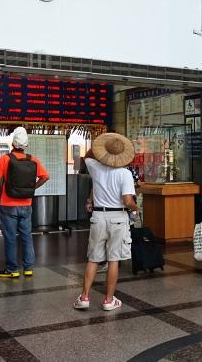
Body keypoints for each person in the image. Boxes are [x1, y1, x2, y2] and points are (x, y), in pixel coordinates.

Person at [73, 133, 138, 312]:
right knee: (113, 260)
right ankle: (109, 301)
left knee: (93, 259)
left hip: (99, 218)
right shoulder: (125, 174)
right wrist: (135, 208)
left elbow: (87, 155)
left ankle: (84, 297)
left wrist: (101, 150)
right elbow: (127, 200)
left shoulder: (96, 168)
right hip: (118, 219)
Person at [0, 127, 49, 278]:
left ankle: (12, 269)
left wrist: (1, 194)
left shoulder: (5, 159)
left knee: (10, 237)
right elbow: (45, 177)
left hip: (8, 204)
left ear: (13, 144)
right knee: (26, 236)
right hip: (26, 204)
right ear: (26, 145)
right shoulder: (33, 160)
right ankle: (28, 268)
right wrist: (32, 188)